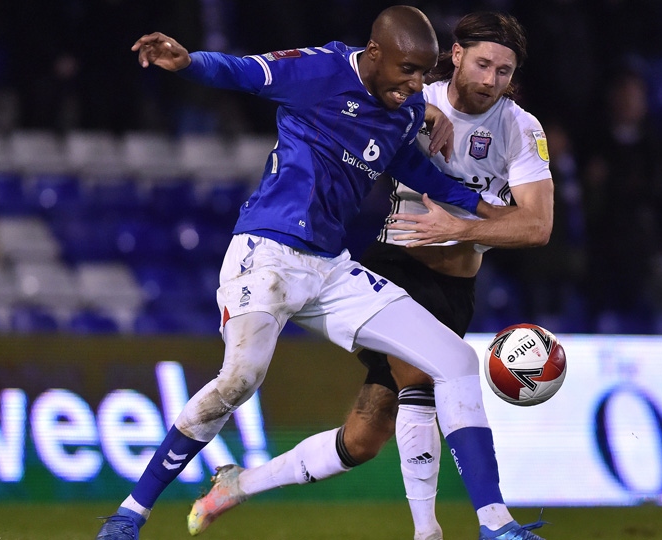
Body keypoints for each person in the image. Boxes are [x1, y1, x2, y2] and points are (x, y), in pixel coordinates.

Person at [95, 6, 546, 540]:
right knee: (239, 380)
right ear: (375, 54)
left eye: (422, 76)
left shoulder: (404, 112)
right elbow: (244, 72)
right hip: (266, 253)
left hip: (331, 270)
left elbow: (422, 174)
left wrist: (485, 213)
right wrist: (189, 61)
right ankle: (131, 512)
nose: (416, 87)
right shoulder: (321, 71)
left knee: (456, 360)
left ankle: (496, 525)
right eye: (407, 72)